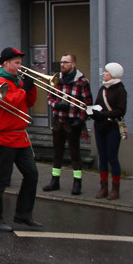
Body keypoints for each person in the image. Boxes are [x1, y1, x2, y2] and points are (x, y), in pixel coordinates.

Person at [0, 47, 40, 231]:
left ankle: (23, 214)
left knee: (32, 174)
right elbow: (7, 102)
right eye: (16, 63)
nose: (20, 66)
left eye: (20, 62)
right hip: (3, 138)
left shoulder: (16, 81)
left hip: (20, 137)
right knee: (1, 181)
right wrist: (23, 90)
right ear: (5, 64)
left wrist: (31, 88)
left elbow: (28, 103)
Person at [41, 53, 93, 195]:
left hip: (73, 122)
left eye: (66, 62)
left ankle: (77, 183)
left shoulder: (82, 81)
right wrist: (57, 104)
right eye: (61, 62)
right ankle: (55, 180)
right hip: (59, 121)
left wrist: (82, 119)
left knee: (75, 153)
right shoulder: (57, 79)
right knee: (57, 152)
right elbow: (49, 97)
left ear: (73, 64)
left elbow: (87, 103)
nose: (62, 64)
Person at [90, 63, 127, 200]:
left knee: (112, 158)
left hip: (112, 128)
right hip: (100, 127)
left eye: (107, 71)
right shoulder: (103, 88)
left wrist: (104, 115)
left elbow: (121, 110)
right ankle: (103, 187)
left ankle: (115, 188)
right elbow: (98, 104)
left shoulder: (120, 90)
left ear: (114, 74)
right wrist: (93, 112)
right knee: (102, 158)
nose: (104, 73)